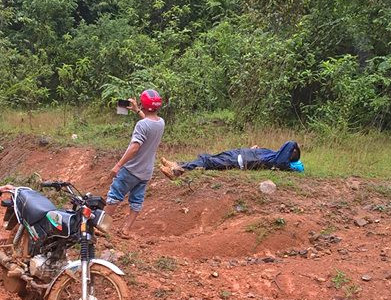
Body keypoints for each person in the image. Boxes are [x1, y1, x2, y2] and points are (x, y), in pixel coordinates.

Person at [105, 89, 165, 239]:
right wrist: (138, 110)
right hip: (146, 171)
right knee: (137, 200)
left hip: (131, 169)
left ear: (143, 104)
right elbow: (149, 123)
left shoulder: (141, 125)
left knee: (115, 194)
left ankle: (102, 226)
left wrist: (118, 165)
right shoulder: (160, 122)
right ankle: (126, 229)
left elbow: (135, 147)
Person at [159, 140, 304, 179]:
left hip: (237, 161)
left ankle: (177, 171)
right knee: (208, 158)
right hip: (237, 154)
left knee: (208, 161)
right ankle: (177, 165)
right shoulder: (275, 155)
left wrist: (295, 146)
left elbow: (290, 143)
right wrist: (255, 150)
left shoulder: (279, 161)